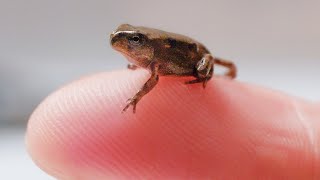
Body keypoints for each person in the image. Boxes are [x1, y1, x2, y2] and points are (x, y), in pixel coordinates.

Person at [26, 69, 320, 179]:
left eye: (134, 39)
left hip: (192, 55)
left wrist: (136, 98)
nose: (123, 41)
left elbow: (154, 79)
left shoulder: (159, 58)